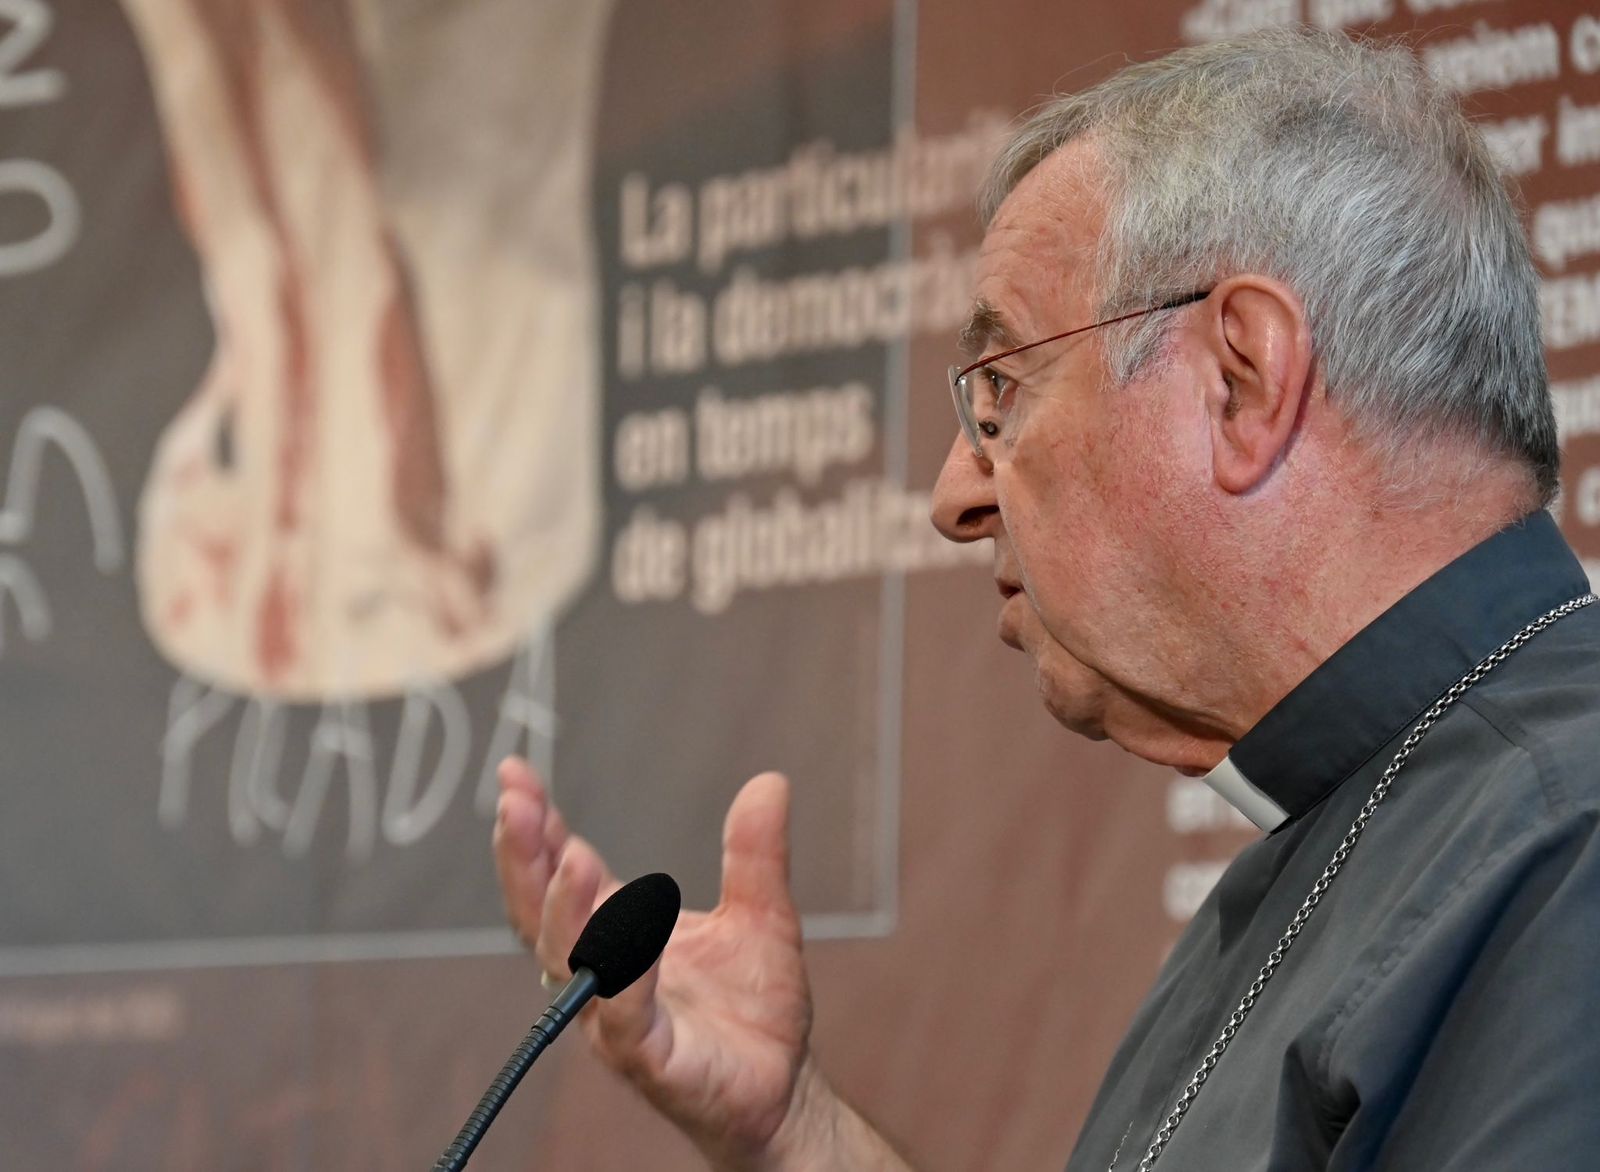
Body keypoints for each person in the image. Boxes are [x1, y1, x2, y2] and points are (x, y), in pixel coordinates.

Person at [494, 27, 1600, 1170]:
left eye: (1001, 390)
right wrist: (794, 1135)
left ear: (1241, 380)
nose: (950, 495)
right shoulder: (1336, 839)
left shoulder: (1568, 851)